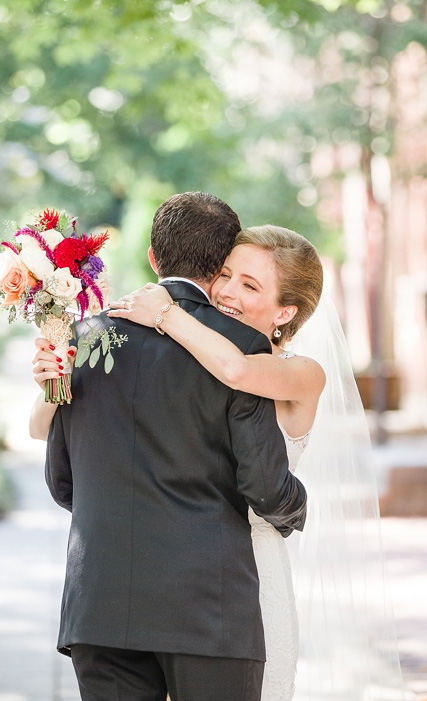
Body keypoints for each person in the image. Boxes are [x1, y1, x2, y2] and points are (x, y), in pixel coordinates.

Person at [107, 224, 407, 701]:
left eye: (250, 285)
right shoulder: (193, 355)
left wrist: (166, 312)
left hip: (251, 575)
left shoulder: (301, 373)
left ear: (286, 311)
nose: (226, 291)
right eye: (225, 274)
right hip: (176, 581)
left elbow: (239, 370)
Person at [32, 192, 307, 701]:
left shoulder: (83, 339)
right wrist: (297, 511)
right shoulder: (243, 346)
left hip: (100, 607)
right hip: (207, 609)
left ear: (154, 258)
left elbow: (62, 482)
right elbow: (263, 485)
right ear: (222, 265)